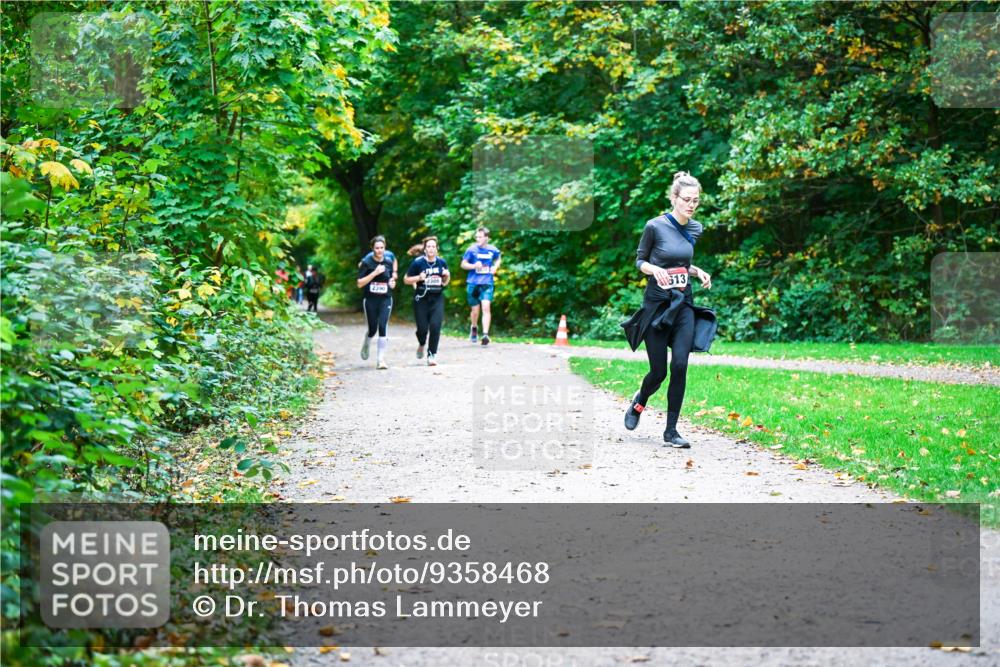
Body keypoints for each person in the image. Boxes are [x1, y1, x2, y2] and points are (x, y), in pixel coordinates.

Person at [622, 172, 715, 448]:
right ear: (674, 198)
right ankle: (640, 401)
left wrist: (698, 271)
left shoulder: (695, 228)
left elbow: (682, 263)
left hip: (683, 304)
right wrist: (655, 270)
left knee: (681, 365)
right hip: (657, 307)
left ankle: (671, 431)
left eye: (696, 201)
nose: (692, 205)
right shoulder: (655, 226)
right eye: (686, 200)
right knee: (659, 372)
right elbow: (640, 261)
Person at [404, 236, 450, 366]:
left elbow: (445, 283)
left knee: (435, 326)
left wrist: (447, 276)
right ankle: (422, 343)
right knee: (422, 329)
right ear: (425, 249)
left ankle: (432, 355)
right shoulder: (418, 263)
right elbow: (406, 280)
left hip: (437, 298)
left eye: (433, 246)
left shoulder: (442, 262)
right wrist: (418, 277)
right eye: (428, 246)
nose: (431, 249)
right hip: (421, 298)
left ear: (437, 249)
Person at [357, 236, 396, 369]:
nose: (379, 250)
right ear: (372, 249)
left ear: (385, 248)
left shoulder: (389, 261)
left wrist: (392, 283)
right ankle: (367, 342)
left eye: (382, 248)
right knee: (373, 329)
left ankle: (380, 360)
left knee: (382, 325)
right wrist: (374, 273)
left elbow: (390, 280)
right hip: (370, 299)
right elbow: (359, 283)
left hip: (386, 298)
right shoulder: (366, 262)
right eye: (377, 248)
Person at [460, 226, 501, 345]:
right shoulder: (471, 250)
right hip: (473, 283)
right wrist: (473, 266)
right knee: (475, 311)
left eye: (480, 237)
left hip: (487, 282)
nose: (478, 239)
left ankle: (485, 335)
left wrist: (495, 267)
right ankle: (474, 328)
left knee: (486, 307)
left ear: (487, 238)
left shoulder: (493, 250)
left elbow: (498, 258)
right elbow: (463, 264)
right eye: (476, 237)